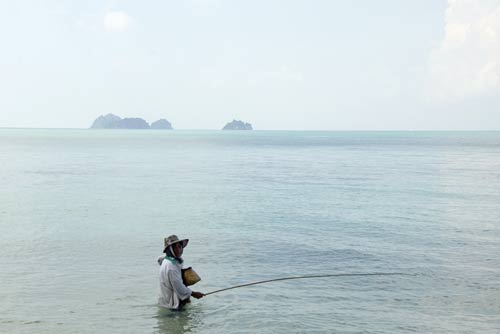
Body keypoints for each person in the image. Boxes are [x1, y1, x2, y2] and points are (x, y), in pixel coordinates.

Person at [158, 235, 204, 310]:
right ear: (170, 249)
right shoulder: (171, 267)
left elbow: (160, 259)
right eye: (175, 247)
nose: (178, 250)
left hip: (165, 300)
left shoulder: (167, 260)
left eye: (179, 247)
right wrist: (193, 294)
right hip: (172, 305)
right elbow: (179, 288)